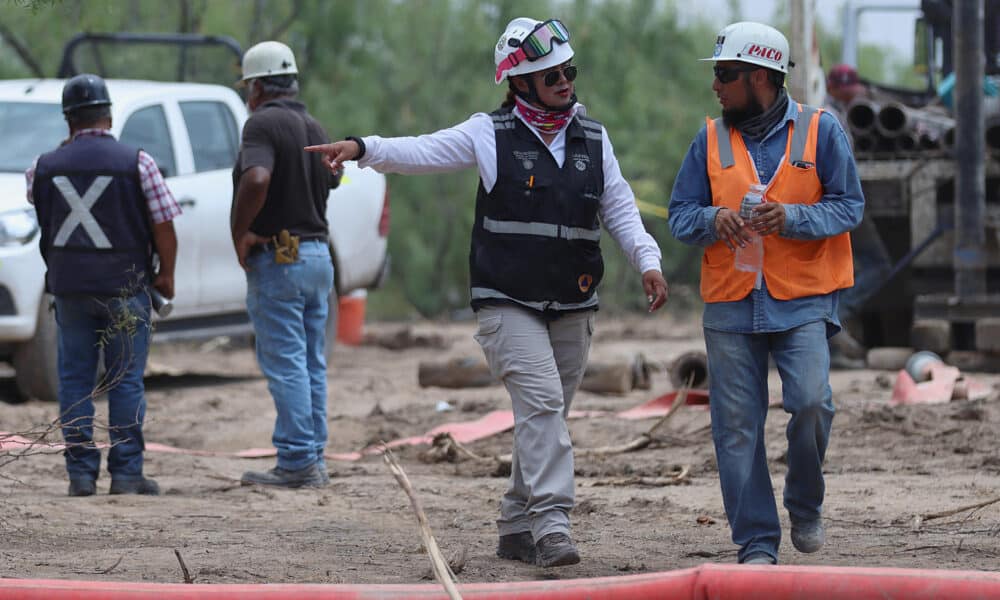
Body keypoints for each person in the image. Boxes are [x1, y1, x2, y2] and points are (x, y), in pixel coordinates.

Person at [306, 17, 668, 567]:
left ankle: (514, 524)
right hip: (507, 303)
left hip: (573, 303)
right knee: (543, 405)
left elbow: (618, 208)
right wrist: (361, 146)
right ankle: (552, 525)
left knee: (542, 416)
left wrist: (648, 261)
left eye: (568, 71)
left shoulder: (593, 138)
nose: (565, 82)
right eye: (550, 76)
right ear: (518, 83)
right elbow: (422, 151)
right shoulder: (488, 133)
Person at [668, 22, 864, 565]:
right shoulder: (708, 139)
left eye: (724, 75)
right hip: (731, 302)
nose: (716, 86)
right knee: (736, 430)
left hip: (802, 298)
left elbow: (850, 206)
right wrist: (714, 218)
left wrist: (794, 217)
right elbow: (681, 216)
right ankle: (756, 542)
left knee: (810, 403)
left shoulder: (822, 132)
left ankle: (805, 503)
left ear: (760, 78)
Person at [28, 73, 179, 497]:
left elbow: (39, 205)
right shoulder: (138, 162)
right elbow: (164, 223)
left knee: (75, 381)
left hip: (70, 290)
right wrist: (165, 273)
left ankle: (80, 475)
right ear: (109, 115)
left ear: (68, 119)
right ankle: (127, 474)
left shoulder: (44, 166)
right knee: (125, 381)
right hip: (127, 289)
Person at [232, 41, 337, 489]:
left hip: (280, 258)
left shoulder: (261, 123)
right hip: (317, 256)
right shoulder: (312, 124)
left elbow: (257, 177)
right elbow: (334, 175)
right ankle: (313, 457)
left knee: (288, 363)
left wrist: (239, 230)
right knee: (311, 362)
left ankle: (296, 461)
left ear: (257, 86)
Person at [823, 64, 891, 368]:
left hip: (831, 202)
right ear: (834, 88)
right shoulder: (830, 116)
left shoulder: (832, 113)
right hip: (841, 202)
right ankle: (836, 317)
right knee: (877, 263)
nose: (854, 95)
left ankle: (832, 327)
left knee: (838, 267)